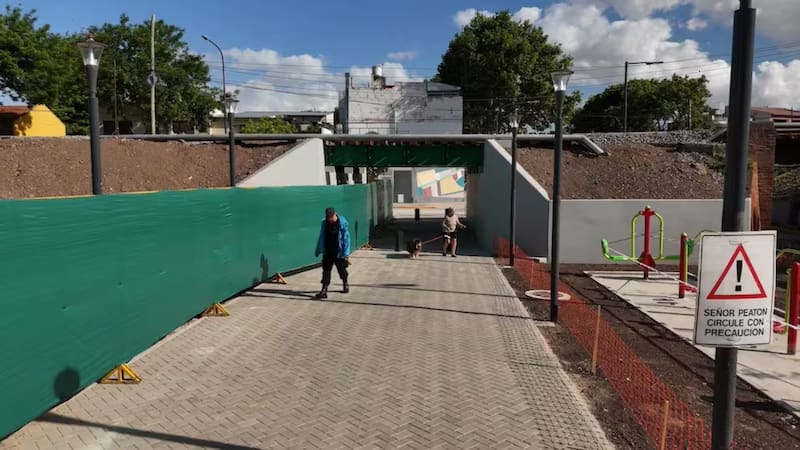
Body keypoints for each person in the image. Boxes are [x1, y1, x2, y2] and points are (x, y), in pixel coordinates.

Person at [314, 207, 351, 299]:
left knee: (341, 269)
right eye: (327, 217)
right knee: (326, 270)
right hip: (328, 251)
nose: (329, 219)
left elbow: (346, 238)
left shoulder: (342, 223)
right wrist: (319, 249)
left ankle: (345, 283)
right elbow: (322, 236)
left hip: (339, 251)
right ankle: (324, 290)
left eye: (330, 217)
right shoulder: (325, 222)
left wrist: (346, 253)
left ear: (334, 215)